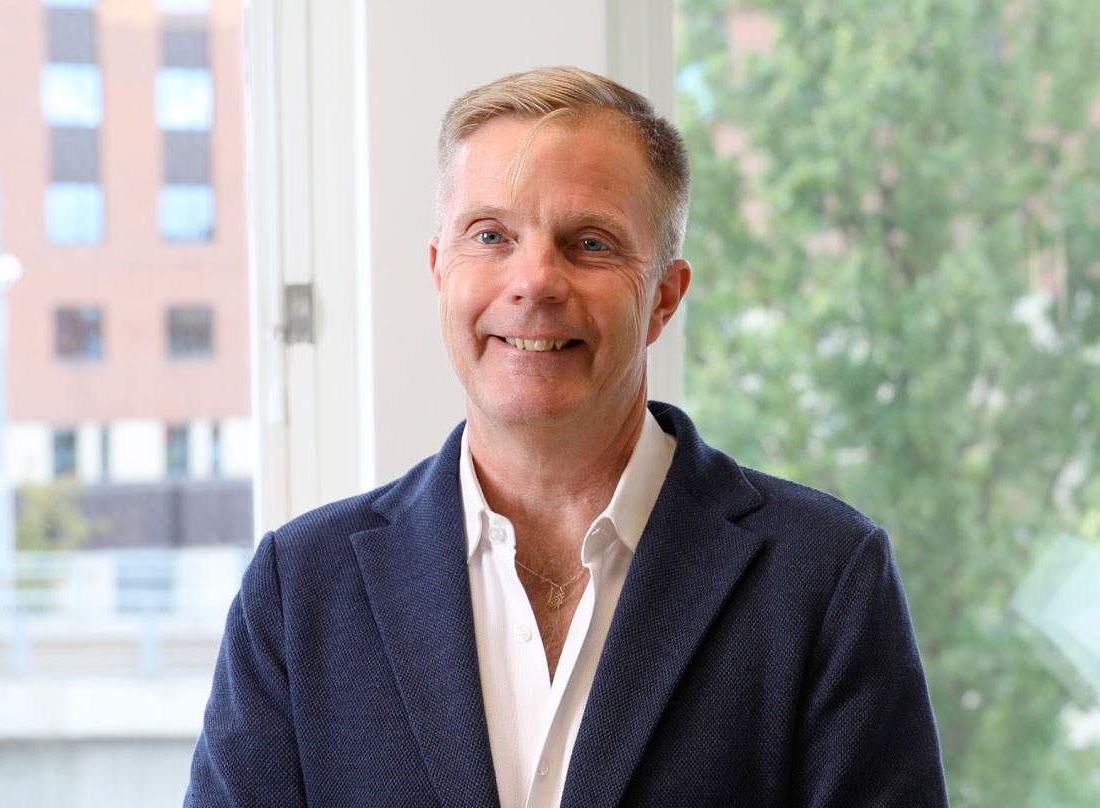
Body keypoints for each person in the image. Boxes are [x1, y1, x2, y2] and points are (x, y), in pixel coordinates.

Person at [185, 66, 948, 807]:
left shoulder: (822, 577)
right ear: (440, 272)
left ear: (664, 298)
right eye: (490, 235)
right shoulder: (299, 591)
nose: (535, 281)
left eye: (589, 243)